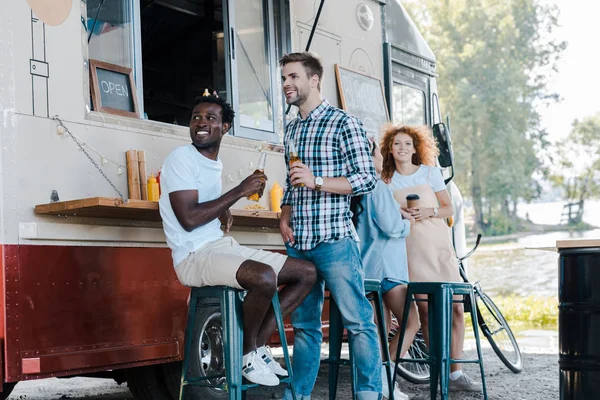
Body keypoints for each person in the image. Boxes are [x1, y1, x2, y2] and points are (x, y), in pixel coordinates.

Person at [159, 94, 317, 387]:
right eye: (196, 117)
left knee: (306, 273)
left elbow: (201, 202)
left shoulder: (212, 163)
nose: (201, 123)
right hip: (193, 256)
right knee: (264, 277)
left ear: (225, 127)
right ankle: (245, 354)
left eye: (210, 118)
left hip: (217, 246)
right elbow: (189, 219)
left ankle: (257, 347)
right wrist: (238, 191)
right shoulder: (181, 158)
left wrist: (223, 207)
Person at [278, 52, 382, 400]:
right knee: (305, 328)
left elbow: (367, 179)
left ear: (314, 80)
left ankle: (368, 393)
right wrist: (285, 214)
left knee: (358, 322)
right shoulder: (291, 128)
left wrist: (318, 181)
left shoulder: (344, 123)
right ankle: (300, 394)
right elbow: (292, 181)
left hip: (335, 240)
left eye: (293, 77)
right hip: (299, 243)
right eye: (283, 79)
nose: (287, 84)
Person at [380, 125, 482, 392]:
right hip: (411, 250)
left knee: (456, 309)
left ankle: (456, 372)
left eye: (407, 144)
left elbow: (448, 208)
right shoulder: (385, 179)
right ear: (390, 149)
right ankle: (438, 370)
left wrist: (430, 210)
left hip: (438, 246)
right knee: (426, 312)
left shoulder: (430, 172)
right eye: (396, 144)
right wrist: (399, 211)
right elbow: (382, 214)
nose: (402, 148)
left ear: (416, 148)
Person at [350, 137, 419, 400]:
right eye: (378, 152)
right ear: (370, 158)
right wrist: (407, 222)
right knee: (411, 323)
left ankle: (378, 385)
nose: (382, 156)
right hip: (387, 269)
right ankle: (384, 379)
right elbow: (391, 227)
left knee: (379, 331)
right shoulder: (377, 186)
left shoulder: (354, 188)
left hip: (366, 270)